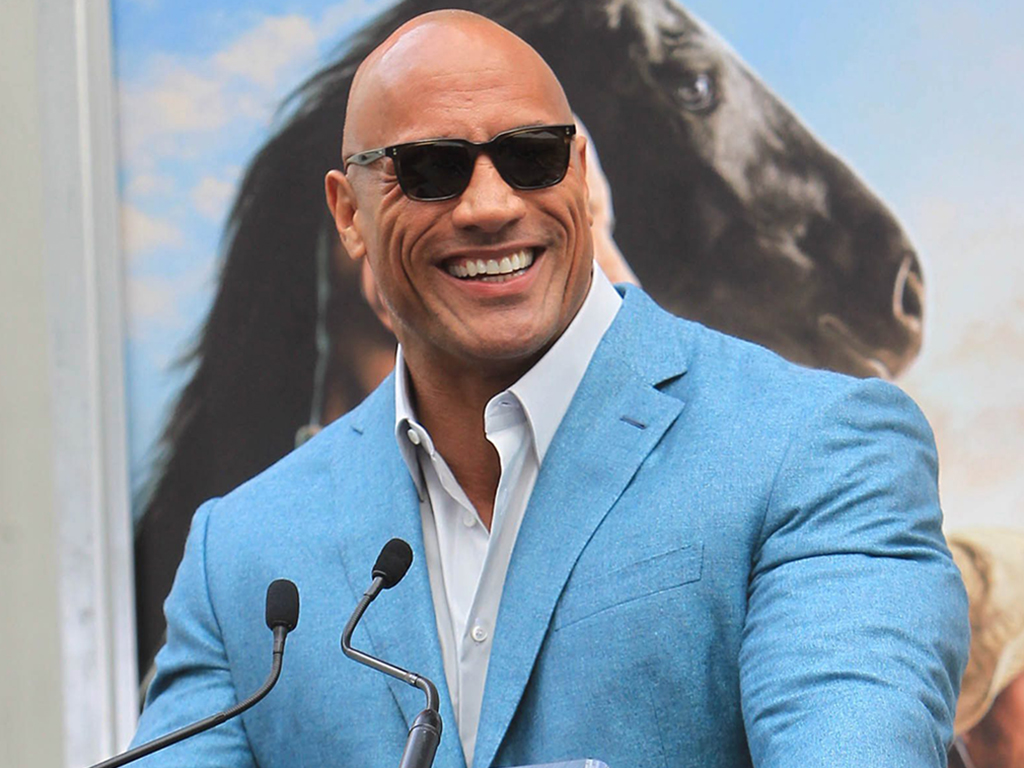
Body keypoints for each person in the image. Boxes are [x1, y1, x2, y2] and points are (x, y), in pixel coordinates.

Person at [130, 10, 968, 767]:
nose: (490, 205)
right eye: (431, 170)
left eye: (531, 157)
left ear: (582, 176)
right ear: (348, 213)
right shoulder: (239, 550)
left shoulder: (820, 448)